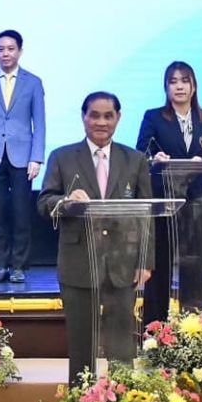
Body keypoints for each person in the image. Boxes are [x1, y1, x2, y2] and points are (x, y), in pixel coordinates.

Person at [37, 92, 153, 385]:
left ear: (118, 118)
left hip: (122, 264)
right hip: (78, 263)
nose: (101, 122)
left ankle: (124, 399)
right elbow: (44, 202)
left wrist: (145, 260)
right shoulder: (62, 157)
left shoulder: (135, 160)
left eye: (108, 116)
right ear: (83, 117)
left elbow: (147, 214)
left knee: (122, 345)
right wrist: (65, 201)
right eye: (95, 115)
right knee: (81, 344)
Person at [136, 61, 202, 326]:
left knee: (195, 265)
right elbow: (141, 152)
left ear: (193, 86)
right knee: (160, 265)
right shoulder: (154, 117)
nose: (179, 87)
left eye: (184, 81)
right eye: (173, 81)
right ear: (166, 87)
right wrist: (155, 158)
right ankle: (155, 329)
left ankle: (194, 327)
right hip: (164, 198)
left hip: (198, 200)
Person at [0, 29, 46, 284]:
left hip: (22, 156)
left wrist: (36, 157)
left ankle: (19, 266)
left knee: (21, 212)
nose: (5, 53)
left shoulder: (33, 82)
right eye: (1, 49)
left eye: (10, 49)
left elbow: (39, 122)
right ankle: (0, 264)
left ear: (20, 51)